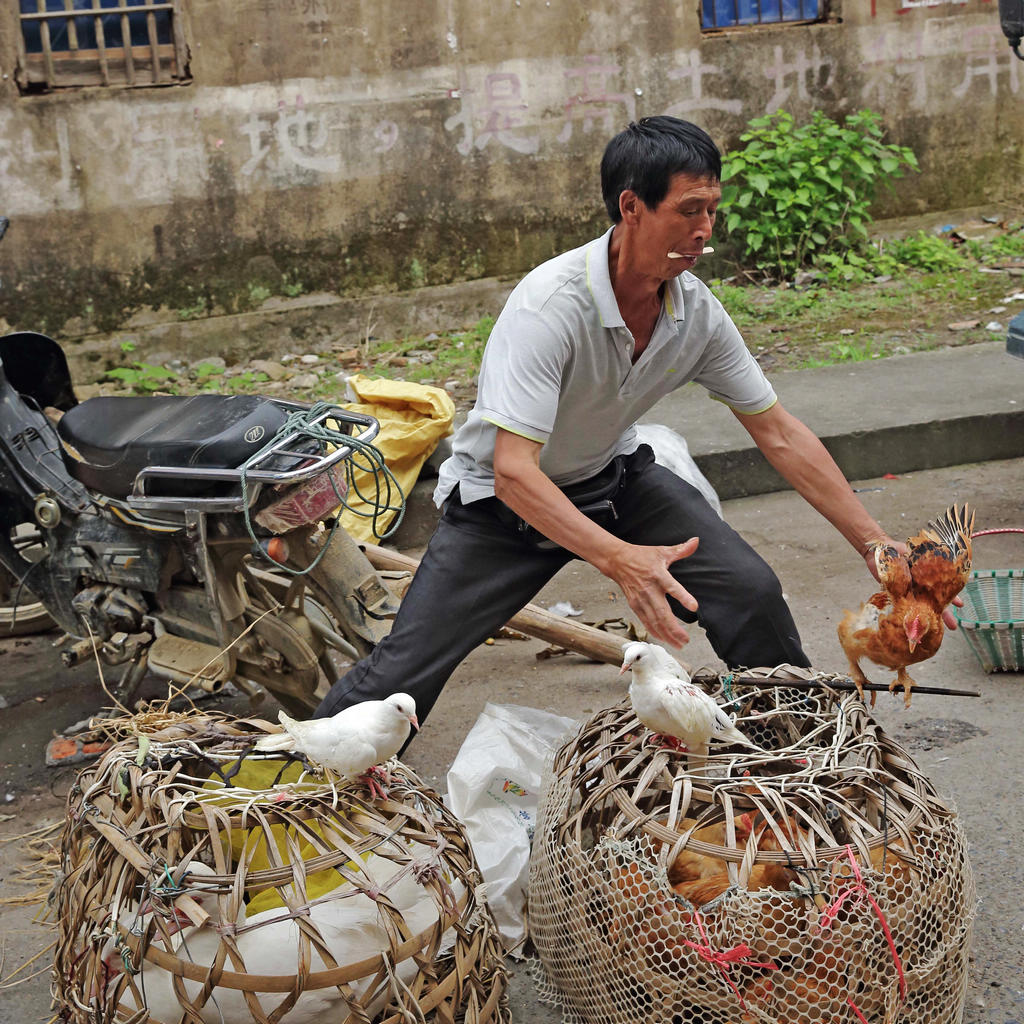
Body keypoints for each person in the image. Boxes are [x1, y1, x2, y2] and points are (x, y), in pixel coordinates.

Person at [315, 115, 932, 728]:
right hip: (502, 511)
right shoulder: (549, 306)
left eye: (712, 210)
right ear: (631, 206)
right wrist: (622, 561)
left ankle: (796, 751)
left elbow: (779, 433)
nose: (704, 229)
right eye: (688, 210)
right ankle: (295, 791)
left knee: (750, 592)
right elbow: (513, 474)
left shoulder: (696, 313)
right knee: (399, 677)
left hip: (614, 482)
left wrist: (878, 547)